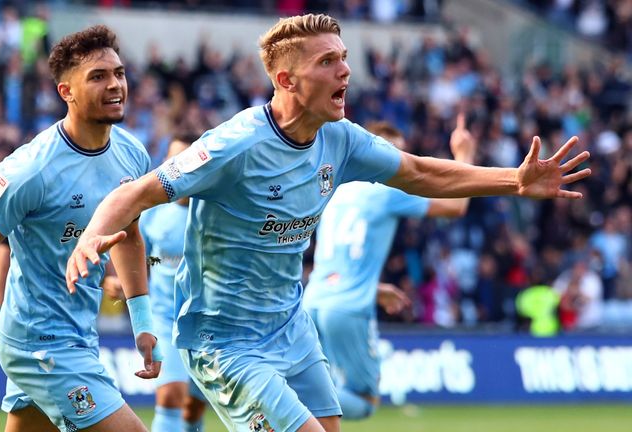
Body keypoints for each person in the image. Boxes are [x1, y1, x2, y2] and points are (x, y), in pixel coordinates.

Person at [66, 14, 590, 432]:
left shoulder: (340, 139)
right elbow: (135, 191)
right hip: (227, 340)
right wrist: (92, 235)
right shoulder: (237, 144)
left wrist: (514, 181)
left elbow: (419, 172)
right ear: (286, 79)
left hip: (293, 327)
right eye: (328, 62)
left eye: (344, 58)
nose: (345, 71)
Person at [0, 25, 162, 432]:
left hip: (80, 333)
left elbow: (129, 235)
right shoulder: (29, 170)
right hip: (37, 342)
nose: (115, 85)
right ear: (67, 92)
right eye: (98, 77)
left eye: (119, 73)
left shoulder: (132, 154)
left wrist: (143, 319)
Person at [302, 117, 475, 420]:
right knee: (363, 400)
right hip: (348, 307)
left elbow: (338, 260)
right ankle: (279, 405)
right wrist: (465, 154)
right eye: (398, 153)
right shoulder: (385, 190)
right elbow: (456, 207)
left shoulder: (337, 191)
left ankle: (285, 404)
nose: (404, 162)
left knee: (323, 395)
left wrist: (375, 288)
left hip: (314, 299)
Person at [140, 133, 209, 432]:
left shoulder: (213, 212)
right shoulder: (151, 212)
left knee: (192, 408)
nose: (177, 169)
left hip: (206, 325)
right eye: (172, 161)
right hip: (165, 320)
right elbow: (145, 258)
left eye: (184, 161)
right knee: (170, 396)